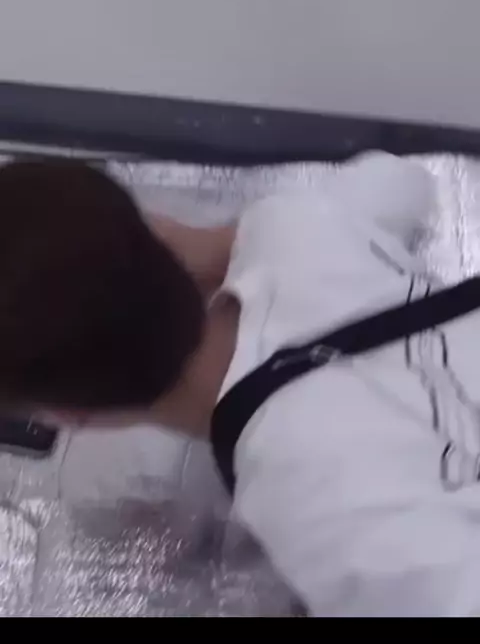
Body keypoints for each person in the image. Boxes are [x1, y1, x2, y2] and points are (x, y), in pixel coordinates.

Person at [1, 151, 480, 617]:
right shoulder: (295, 230)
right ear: (156, 229)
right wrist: (235, 240)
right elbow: (398, 178)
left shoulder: (311, 491)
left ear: (66, 415)